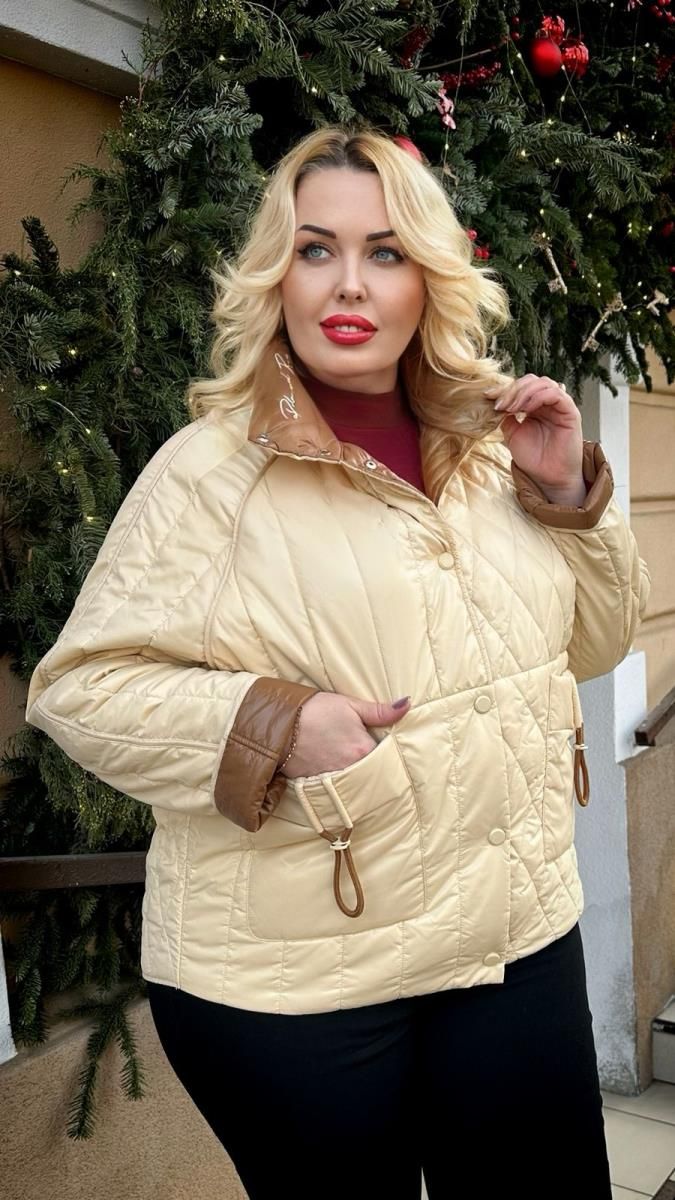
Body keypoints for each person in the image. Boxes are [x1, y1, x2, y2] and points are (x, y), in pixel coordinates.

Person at [26, 124, 651, 1199]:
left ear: (429, 278)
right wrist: (270, 725)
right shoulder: (209, 473)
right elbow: (81, 690)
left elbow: (595, 643)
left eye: (385, 252)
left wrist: (563, 497)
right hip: (301, 985)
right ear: (278, 272)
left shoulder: (493, 448)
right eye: (316, 249)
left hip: (512, 938)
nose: (347, 283)